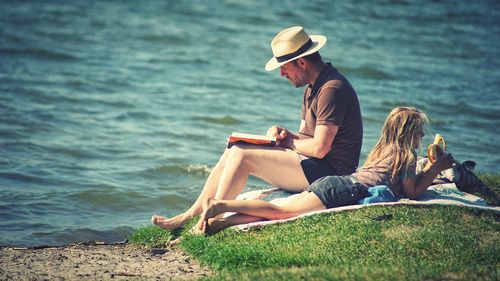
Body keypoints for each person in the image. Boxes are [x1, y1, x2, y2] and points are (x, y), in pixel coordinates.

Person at [151, 26, 363, 230]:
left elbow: (319, 148)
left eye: (284, 67)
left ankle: (209, 221)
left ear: (301, 62)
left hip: (330, 173)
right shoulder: (313, 88)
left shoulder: (331, 89)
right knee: (235, 148)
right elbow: (307, 138)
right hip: (313, 165)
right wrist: (285, 134)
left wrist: (287, 142)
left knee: (243, 155)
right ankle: (191, 215)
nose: (281, 74)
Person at [197, 107, 455, 234]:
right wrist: (435, 168)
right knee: (279, 212)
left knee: (277, 214)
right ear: (411, 133)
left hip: (336, 183)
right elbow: (413, 191)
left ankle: (218, 225)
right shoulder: (407, 156)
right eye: (420, 131)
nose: (422, 135)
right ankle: (220, 205)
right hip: (344, 190)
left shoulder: (383, 149)